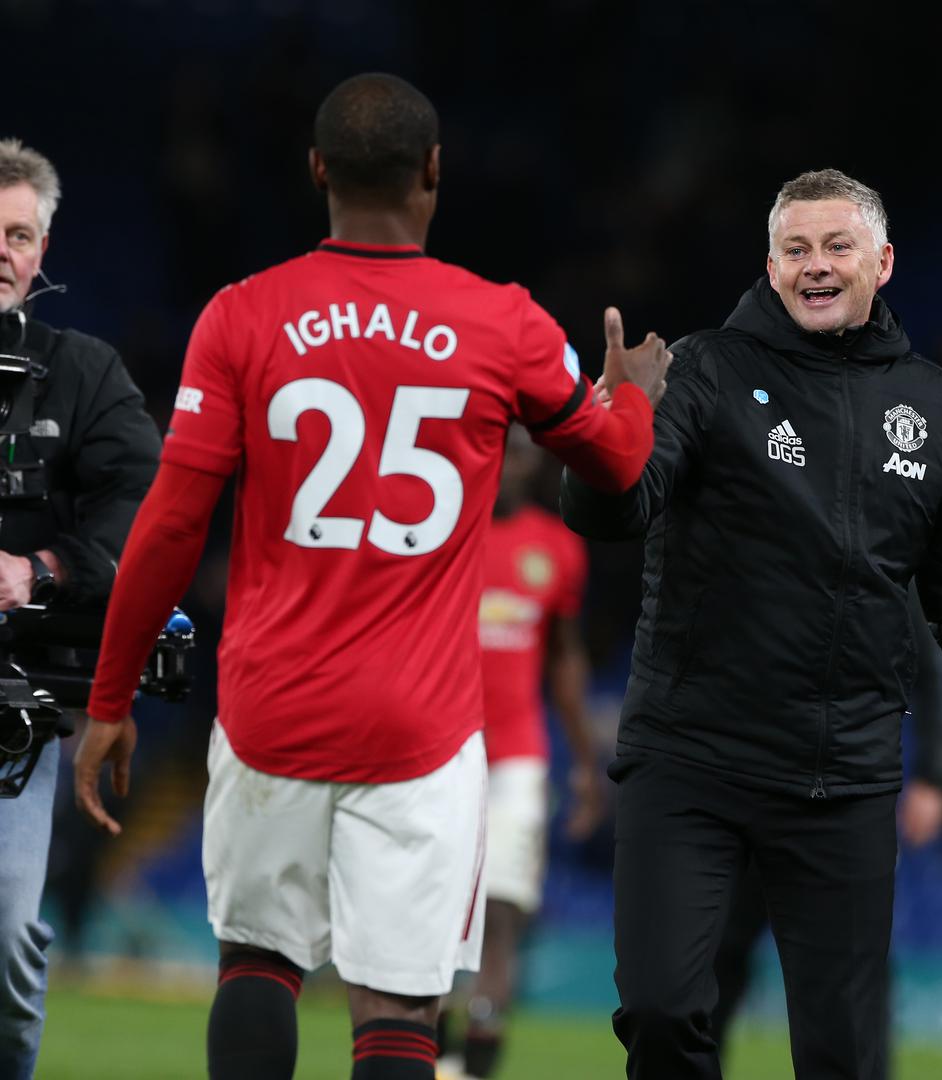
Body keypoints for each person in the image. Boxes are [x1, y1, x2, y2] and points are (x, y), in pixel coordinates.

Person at [73, 73, 670, 1080]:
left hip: (270, 709)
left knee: (256, 962)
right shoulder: (505, 323)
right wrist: (633, 397)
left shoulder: (240, 317)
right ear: (434, 172)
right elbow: (616, 465)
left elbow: (172, 524)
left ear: (316, 172)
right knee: (399, 1005)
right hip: (423, 730)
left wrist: (110, 695)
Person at [560, 168, 942, 1080]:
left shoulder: (932, 405)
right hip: (689, 763)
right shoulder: (704, 369)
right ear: (769, 268)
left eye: (835, 247)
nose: (814, 266)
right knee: (661, 1013)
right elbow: (614, 513)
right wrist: (606, 429)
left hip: (839, 778)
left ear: (881, 262)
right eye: (795, 250)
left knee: (845, 1055)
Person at [0, 138, 161, 1080]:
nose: (3, 253)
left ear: (43, 251)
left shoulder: (84, 373)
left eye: (18, 236)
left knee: (5, 945)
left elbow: (149, 510)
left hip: (14, 712)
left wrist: (42, 566)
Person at [710, 586, 942, 1063]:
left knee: (857, 965)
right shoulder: (762, 547)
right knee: (720, 951)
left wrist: (934, 776)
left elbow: (928, 669)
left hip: (844, 798)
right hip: (749, 785)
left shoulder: (879, 557)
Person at [437, 425, 602, 1080]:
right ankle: (436, 1049)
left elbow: (563, 657)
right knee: (437, 911)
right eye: (500, 455)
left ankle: (474, 1065)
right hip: (438, 750)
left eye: (522, 458)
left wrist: (586, 761)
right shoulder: (438, 533)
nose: (510, 469)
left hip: (516, 757)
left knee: (502, 910)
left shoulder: (554, 547)